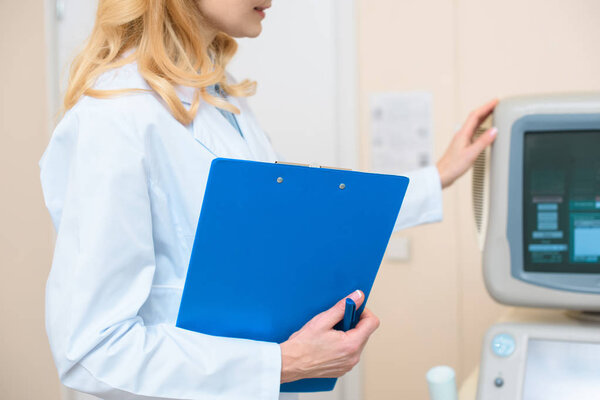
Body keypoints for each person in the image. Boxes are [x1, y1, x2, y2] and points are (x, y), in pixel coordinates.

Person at [39, 1, 498, 399]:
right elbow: (91, 350)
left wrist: (437, 177)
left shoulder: (218, 96)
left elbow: (305, 220)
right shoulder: (114, 118)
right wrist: (282, 363)